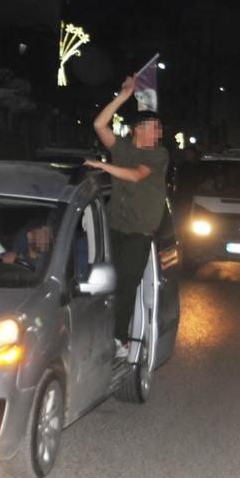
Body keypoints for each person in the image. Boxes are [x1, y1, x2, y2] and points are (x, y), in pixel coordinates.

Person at [84, 74, 169, 359]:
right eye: (153, 128)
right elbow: (99, 124)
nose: (158, 133)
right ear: (137, 130)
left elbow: (135, 176)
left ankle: (119, 339)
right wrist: (122, 96)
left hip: (138, 231)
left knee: (125, 284)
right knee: (101, 282)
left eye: (159, 128)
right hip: (113, 226)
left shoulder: (158, 155)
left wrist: (102, 166)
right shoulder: (122, 148)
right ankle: (98, 333)